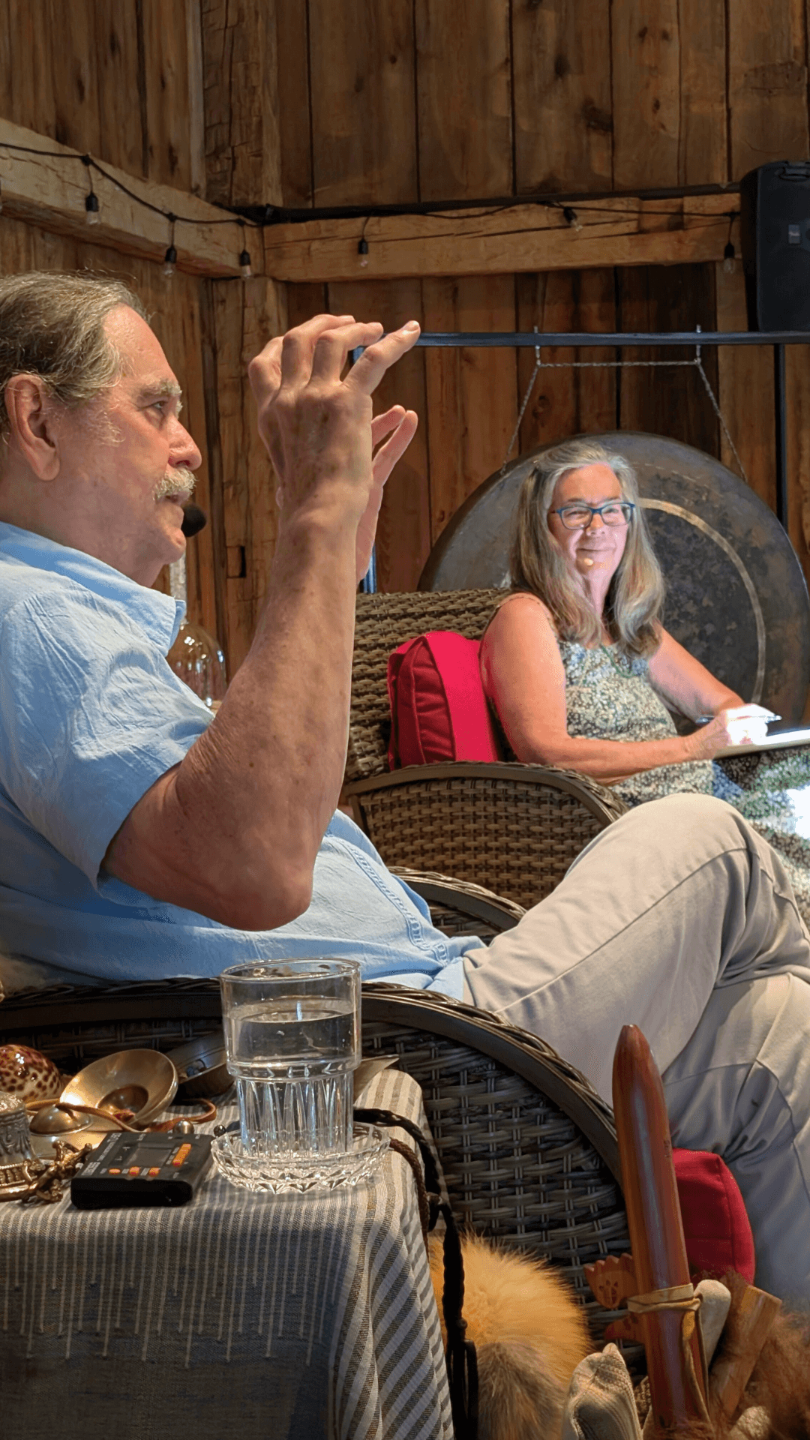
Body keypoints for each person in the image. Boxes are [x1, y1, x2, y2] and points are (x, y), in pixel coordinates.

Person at [0, 276, 809, 1305]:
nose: (189, 445)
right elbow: (253, 866)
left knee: (781, 1035)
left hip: (432, 1011)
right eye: (154, 408)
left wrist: (330, 531)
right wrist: (319, 519)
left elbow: (267, 801)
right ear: (37, 422)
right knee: (718, 842)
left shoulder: (75, 616)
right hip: (415, 1052)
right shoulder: (28, 617)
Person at [480, 436, 810, 920]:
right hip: (624, 816)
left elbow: (722, 701)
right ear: (542, 527)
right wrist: (692, 748)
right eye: (576, 512)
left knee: (797, 777)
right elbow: (545, 751)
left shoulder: (628, 623)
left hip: (694, 796)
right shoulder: (527, 616)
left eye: (613, 510)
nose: (598, 527)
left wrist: (734, 728)